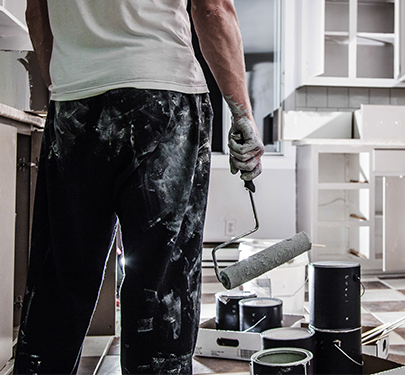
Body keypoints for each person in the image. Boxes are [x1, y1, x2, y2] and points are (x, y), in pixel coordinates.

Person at [16, 0, 264, 373]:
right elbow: (213, 9)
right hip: (164, 95)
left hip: (75, 101)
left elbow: (36, 12)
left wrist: (66, 85)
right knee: (161, 284)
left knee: (61, 278)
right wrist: (242, 111)